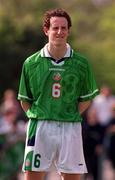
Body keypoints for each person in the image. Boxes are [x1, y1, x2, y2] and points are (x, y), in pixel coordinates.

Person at [18, 8, 99, 180]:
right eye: (55, 28)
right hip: (40, 126)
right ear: (46, 30)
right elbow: (25, 100)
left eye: (64, 28)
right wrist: (38, 116)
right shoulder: (31, 63)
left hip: (70, 126)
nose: (60, 32)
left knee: (72, 178)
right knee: (32, 176)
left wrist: (71, 113)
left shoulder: (81, 64)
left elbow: (87, 98)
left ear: (68, 30)